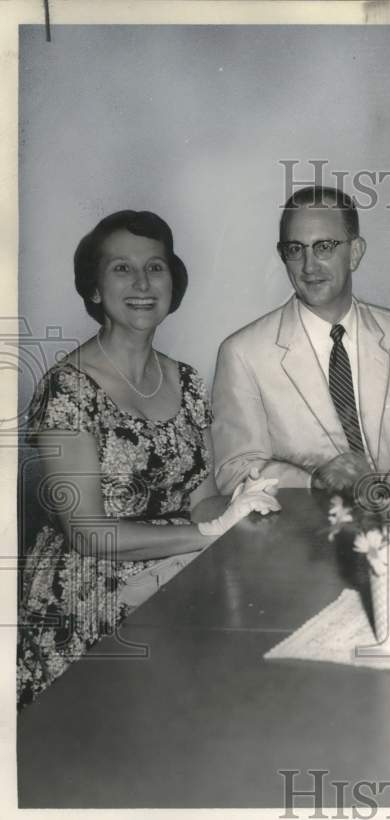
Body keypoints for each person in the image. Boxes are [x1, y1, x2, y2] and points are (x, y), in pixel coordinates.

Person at [19, 210, 280, 708]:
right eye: (121, 268)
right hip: (87, 592)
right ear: (94, 290)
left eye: (155, 267)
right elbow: (86, 533)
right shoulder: (67, 389)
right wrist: (207, 534)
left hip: (173, 566)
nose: (141, 282)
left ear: (172, 284)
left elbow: (202, 500)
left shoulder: (185, 381)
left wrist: (239, 507)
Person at [211, 186, 390, 496]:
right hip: (300, 534)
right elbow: (235, 471)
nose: (309, 266)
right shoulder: (243, 353)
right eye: (296, 249)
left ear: (355, 253)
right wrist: (312, 482)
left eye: (324, 246)